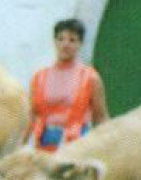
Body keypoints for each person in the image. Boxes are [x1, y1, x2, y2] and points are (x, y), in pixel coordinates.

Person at [29, 17, 109, 152]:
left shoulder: (90, 77)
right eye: (61, 39)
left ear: (80, 44)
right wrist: (21, 146)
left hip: (77, 147)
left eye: (72, 40)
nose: (65, 44)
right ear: (54, 41)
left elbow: (100, 117)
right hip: (43, 146)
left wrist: (106, 148)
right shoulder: (40, 77)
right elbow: (31, 115)